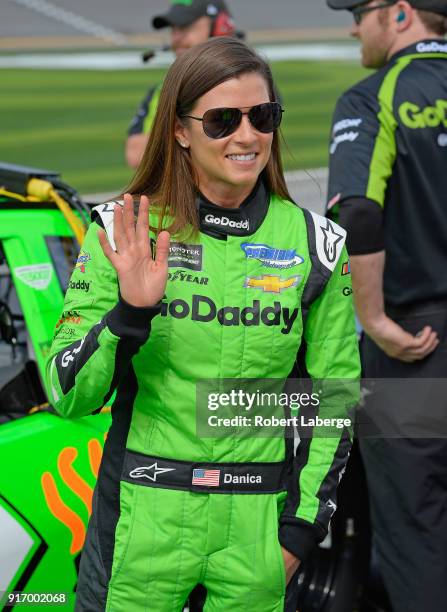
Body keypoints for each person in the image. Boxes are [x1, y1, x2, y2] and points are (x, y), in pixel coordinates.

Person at [47, 38, 360, 611]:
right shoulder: (123, 227)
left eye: (262, 116)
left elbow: (333, 397)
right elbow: (68, 392)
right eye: (222, 120)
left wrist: (300, 531)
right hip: (142, 521)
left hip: (256, 528)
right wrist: (129, 314)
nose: (247, 137)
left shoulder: (319, 246)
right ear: (180, 130)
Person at [325, 1, 447, 610]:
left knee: (416, 529)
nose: (353, 26)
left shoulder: (373, 97)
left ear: (400, 13)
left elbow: (359, 212)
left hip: (414, 345)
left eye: (360, 11)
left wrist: (372, 319)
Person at [126, 0, 238, 169]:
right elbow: (136, 155)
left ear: (220, 28)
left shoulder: (250, 84)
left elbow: (234, 148)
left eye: (185, 27)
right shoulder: (162, 90)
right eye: (174, 29)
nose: (176, 38)